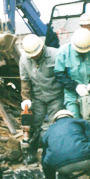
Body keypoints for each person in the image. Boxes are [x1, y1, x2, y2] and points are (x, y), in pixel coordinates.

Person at [54, 28, 90, 137]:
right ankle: (79, 145)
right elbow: (59, 74)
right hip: (72, 91)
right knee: (74, 121)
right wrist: (75, 86)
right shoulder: (63, 52)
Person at [19, 34, 63, 164]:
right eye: (32, 55)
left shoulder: (55, 55)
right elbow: (25, 82)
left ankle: (57, 153)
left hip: (56, 96)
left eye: (36, 54)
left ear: (42, 47)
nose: (34, 57)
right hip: (38, 98)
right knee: (33, 125)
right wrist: (26, 99)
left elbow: (64, 76)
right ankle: (30, 153)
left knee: (56, 125)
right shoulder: (24, 59)